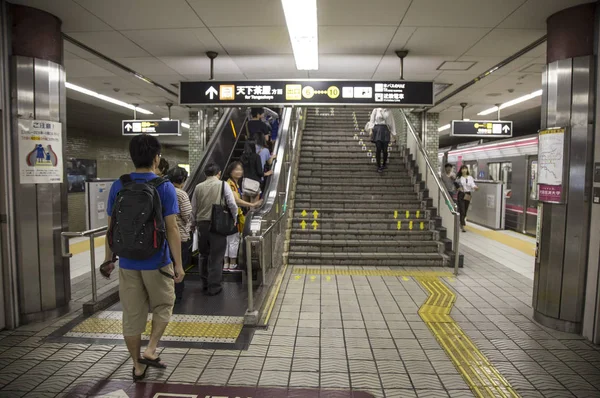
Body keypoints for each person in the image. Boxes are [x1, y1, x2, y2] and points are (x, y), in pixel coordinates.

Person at [102, 134, 184, 381]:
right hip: (157, 262)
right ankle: (150, 350)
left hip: (127, 262)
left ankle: (137, 367)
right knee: (163, 305)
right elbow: (172, 229)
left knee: (132, 315)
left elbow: (111, 227)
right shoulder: (164, 186)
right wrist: (178, 264)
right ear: (156, 158)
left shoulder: (120, 184)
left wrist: (109, 259)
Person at [191, 163, 238, 295]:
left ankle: (205, 283)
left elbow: (193, 208)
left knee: (203, 255)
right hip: (218, 225)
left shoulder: (198, 187)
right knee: (216, 256)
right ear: (219, 173)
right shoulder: (223, 185)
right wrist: (234, 217)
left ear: (205, 174)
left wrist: (193, 224)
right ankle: (214, 286)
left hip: (202, 225)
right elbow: (232, 204)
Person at [224, 161, 262, 270]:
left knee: (230, 240)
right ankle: (231, 263)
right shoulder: (229, 184)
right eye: (236, 169)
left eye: (241, 169)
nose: (239, 172)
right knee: (233, 240)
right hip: (232, 216)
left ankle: (227, 263)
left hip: (233, 215)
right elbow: (236, 201)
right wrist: (253, 204)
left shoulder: (236, 184)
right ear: (230, 171)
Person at [166, 167, 192, 303]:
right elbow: (188, 215)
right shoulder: (181, 194)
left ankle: (166, 293)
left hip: (163, 237)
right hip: (180, 236)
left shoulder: (162, 191)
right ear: (182, 180)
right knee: (179, 265)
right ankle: (177, 294)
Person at [368, 107, 396, 173]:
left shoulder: (389, 110)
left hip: (386, 129)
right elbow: (372, 120)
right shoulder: (376, 109)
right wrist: (370, 130)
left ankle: (384, 164)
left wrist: (393, 134)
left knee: (385, 149)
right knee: (378, 148)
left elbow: (392, 122)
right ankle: (378, 166)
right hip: (377, 129)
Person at [457, 165, 478, 232]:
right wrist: (458, 188)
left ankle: (461, 222)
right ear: (461, 170)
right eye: (463, 169)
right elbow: (456, 185)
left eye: (465, 169)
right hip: (461, 194)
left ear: (467, 170)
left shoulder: (470, 177)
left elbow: (472, 184)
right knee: (462, 209)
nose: (464, 170)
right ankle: (462, 225)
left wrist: (475, 187)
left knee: (465, 210)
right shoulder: (459, 178)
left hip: (468, 194)